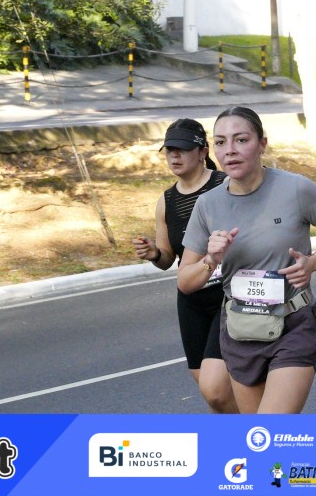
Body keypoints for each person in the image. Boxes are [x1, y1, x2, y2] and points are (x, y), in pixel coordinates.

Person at [177, 106, 316, 414]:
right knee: (259, 437)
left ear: (262, 144)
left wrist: (315, 261)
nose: (230, 150)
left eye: (241, 140)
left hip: (294, 323)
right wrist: (211, 259)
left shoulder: (296, 189)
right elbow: (185, 282)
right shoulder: (208, 204)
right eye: (221, 142)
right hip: (241, 329)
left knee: (272, 427)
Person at [132, 118, 238, 413]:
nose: (174, 156)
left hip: (228, 295)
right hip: (192, 298)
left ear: (203, 151)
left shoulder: (226, 185)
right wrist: (154, 253)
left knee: (216, 390)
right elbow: (167, 258)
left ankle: (256, 430)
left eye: (182, 149)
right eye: (169, 150)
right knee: (209, 389)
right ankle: (244, 435)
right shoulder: (166, 200)